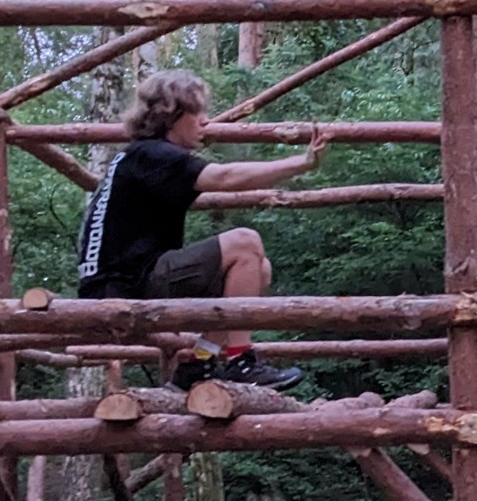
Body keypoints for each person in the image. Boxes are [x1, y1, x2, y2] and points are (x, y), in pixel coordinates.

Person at [74, 69, 325, 391]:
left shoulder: (139, 157)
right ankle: (240, 361)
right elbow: (223, 177)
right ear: (169, 115)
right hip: (123, 290)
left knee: (257, 270)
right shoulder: (152, 154)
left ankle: (198, 362)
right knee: (246, 242)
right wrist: (301, 163)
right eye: (197, 112)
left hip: (120, 284)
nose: (206, 121)